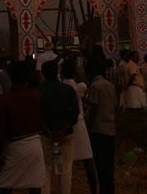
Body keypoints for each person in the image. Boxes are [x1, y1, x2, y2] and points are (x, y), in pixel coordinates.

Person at [0, 60, 46, 194]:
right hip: (34, 145)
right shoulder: (36, 96)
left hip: (15, 147)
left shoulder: (5, 101)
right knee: (35, 185)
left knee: (5, 186)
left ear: (10, 76)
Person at [38, 60, 80, 194]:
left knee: (46, 168)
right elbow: (75, 113)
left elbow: (38, 115)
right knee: (66, 169)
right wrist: (62, 130)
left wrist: (48, 130)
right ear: (57, 72)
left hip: (47, 135)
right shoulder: (68, 90)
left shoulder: (39, 91)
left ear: (43, 74)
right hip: (66, 133)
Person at [62, 60, 98, 194]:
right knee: (88, 161)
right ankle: (93, 190)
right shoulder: (79, 87)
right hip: (79, 124)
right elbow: (83, 82)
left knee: (65, 164)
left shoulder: (61, 87)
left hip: (64, 126)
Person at [85, 57, 116, 194]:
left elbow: (93, 110)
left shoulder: (95, 86)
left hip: (98, 130)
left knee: (100, 164)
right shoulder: (109, 85)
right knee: (109, 165)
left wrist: (88, 127)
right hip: (110, 129)